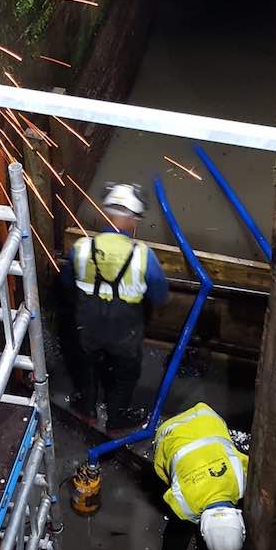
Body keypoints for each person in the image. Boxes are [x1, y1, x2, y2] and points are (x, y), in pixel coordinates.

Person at [62, 183, 168, 434]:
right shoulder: (143, 255)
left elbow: (66, 282)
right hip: (125, 328)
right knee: (125, 373)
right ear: (133, 220)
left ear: (105, 214)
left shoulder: (82, 248)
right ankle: (117, 419)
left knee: (86, 364)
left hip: (87, 323)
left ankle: (86, 409)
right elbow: (160, 294)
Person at [153, 401, 248, 550]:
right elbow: (171, 495)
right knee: (179, 531)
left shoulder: (241, 478)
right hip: (172, 430)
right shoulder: (184, 503)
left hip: (206, 417)